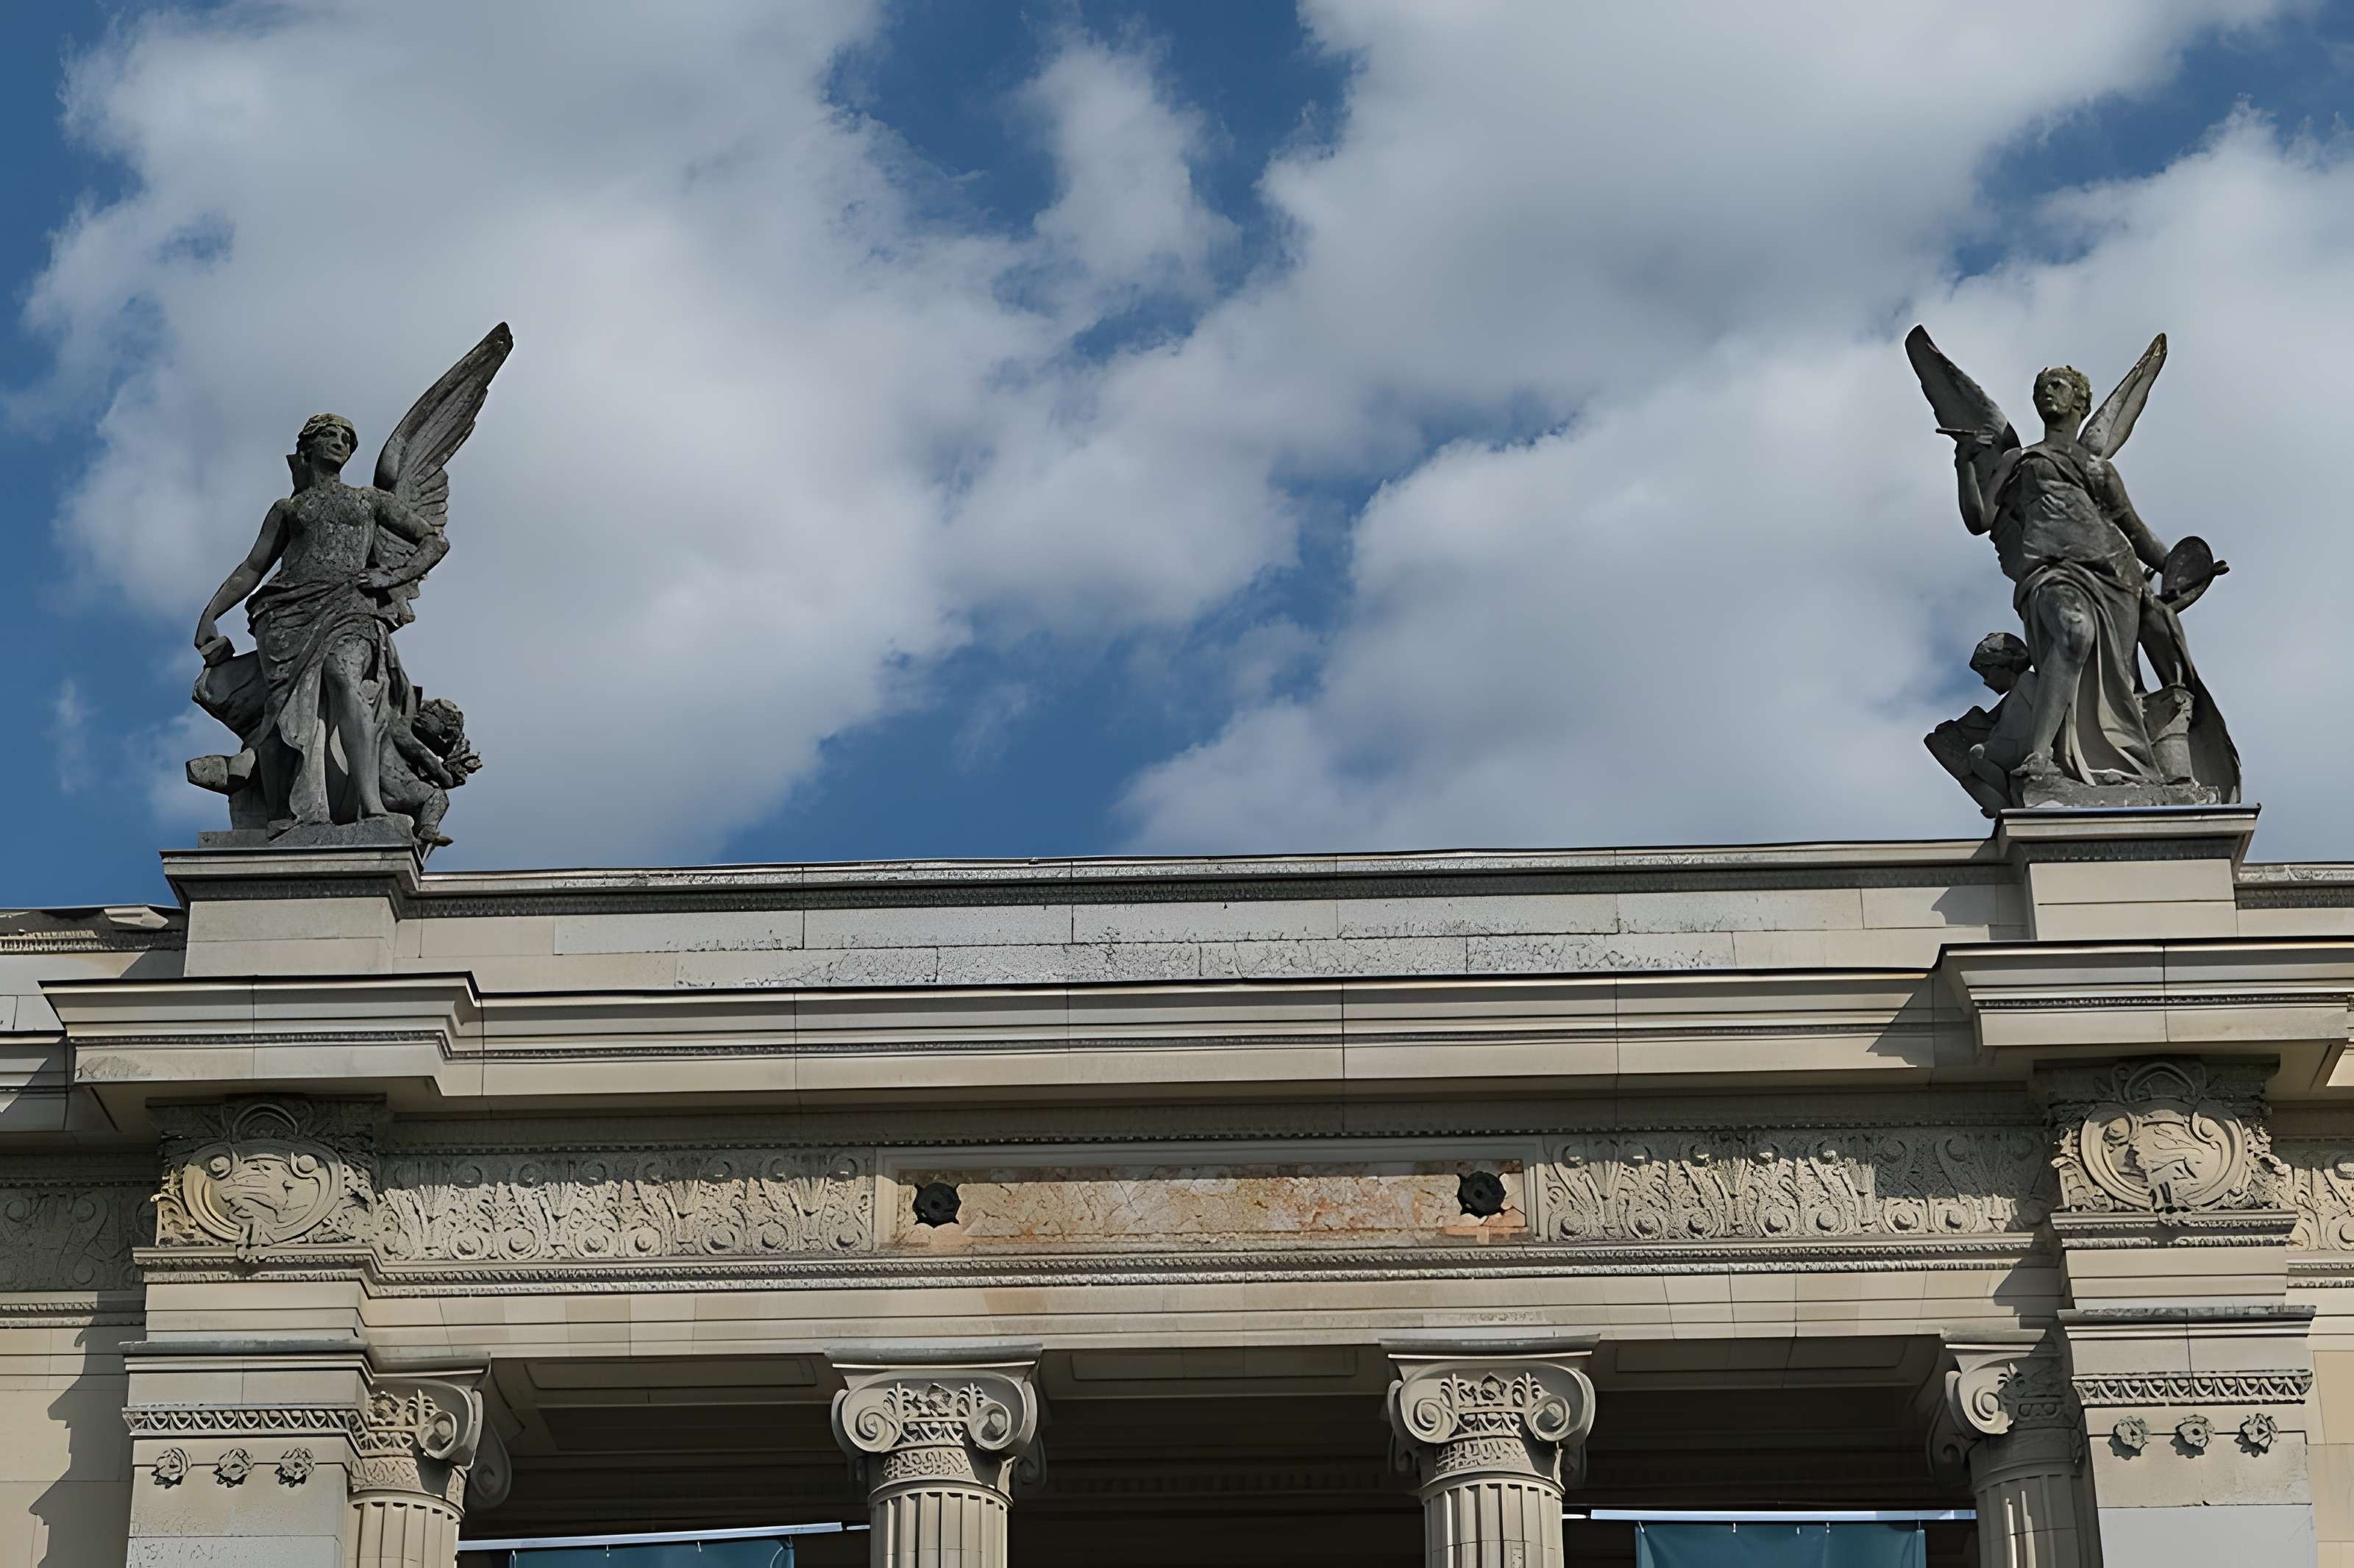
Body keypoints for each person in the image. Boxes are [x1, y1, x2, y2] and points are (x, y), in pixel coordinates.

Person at [193, 414, 447, 831]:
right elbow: (253, 567)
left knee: (345, 679)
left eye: (347, 438)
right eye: (330, 434)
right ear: (306, 447)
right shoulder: (289, 508)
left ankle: (372, 805)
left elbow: (433, 541)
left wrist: (392, 577)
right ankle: (290, 807)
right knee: (287, 711)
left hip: (351, 605)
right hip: (288, 613)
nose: (340, 442)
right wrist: (211, 613)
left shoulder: (368, 501)